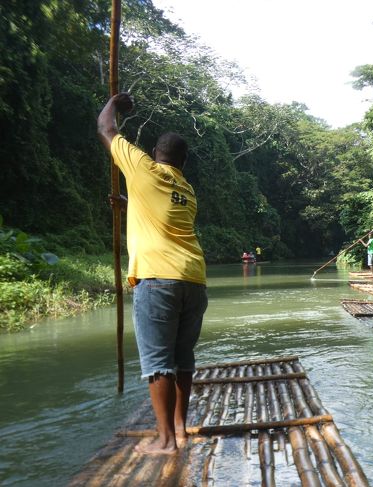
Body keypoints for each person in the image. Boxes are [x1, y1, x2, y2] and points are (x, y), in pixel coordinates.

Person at [98, 93, 208, 455]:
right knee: (183, 359)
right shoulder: (188, 190)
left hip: (157, 278)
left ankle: (165, 442)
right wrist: (131, 204)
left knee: (159, 362)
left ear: (155, 154)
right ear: (184, 162)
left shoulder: (143, 168)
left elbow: (106, 128)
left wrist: (115, 102)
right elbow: (164, 217)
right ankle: (178, 428)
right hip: (193, 279)